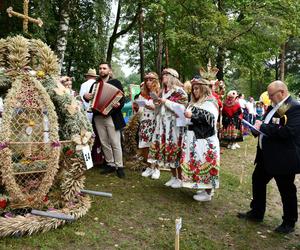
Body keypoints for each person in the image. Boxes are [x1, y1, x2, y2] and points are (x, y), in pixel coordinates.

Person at [238, 80, 300, 234]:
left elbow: (287, 132)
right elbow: (269, 124)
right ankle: (257, 212)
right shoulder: (275, 106)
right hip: (267, 155)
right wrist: (256, 129)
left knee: (286, 189)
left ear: (282, 92)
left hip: (283, 158)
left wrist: (263, 127)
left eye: (271, 95)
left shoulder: (293, 107)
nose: (269, 98)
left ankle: (289, 222)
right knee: (257, 181)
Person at [180, 77, 220, 201]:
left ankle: (208, 193)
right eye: (193, 89)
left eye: (197, 88)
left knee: (205, 161)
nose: (194, 91)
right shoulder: (196, 102)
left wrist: (193, 115)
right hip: (196, 138)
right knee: (199, 161)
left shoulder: (210, 102)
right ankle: (204, 188)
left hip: (205, 139)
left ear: (203, 88)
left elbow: (211, 118)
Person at [84, 62, 126, 178]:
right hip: (98, 116)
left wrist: (118, 105)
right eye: (100, 68)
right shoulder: (95, 85)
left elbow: (122, 99)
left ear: (109, 71)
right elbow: (90, 100)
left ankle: (119, 166)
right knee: (104, 142)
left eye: (104, 68)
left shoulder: (116, 83)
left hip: (112, 116)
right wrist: (85, 97)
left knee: (115, 141)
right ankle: (110, 163)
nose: (102, 70)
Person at [148, 68, 188, 187]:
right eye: (163, 74)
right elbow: (160, 108)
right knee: (167, 150)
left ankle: (180, 178)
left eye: (166, 74)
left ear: (172, 77)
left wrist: (166, 102)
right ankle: (173, 176)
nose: (163, 76)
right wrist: (156, 105)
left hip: (175, 125)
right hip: (163, 125)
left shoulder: (180, 92)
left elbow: (182, 109)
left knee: (175, 149)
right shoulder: (163, 91)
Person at [138, 72, 161, 179]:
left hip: (155, 122)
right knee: (145, 145)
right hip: (144, 121)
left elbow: (160, 108)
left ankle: (156, 168)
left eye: (151, 80)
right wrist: (138, 104)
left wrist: (151, 106)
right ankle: (148, 167)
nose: (148, 82)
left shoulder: (160, 93)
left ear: (155, 81)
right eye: (147, 80)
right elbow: (139, 107)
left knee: (154, 145)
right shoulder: (142, 94)